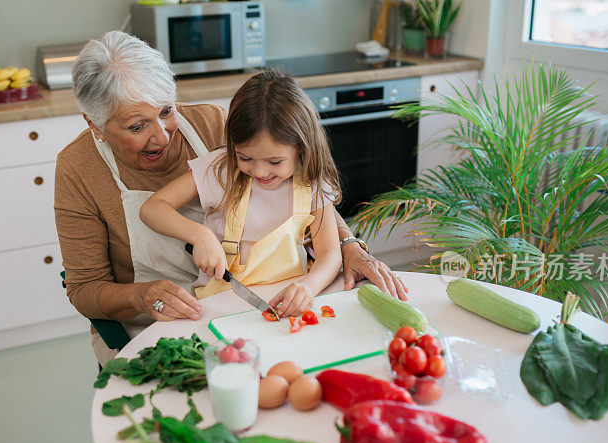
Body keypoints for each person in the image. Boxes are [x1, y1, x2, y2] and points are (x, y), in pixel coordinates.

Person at [54, 31, 409, 365]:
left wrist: (348, 245)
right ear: (95, 125)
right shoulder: (77, 169)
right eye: (137, 126)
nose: (161, 136)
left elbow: (301, 194)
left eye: (166, 111)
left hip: (244, 307)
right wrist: (140, 296)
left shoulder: (213, 124)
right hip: (147, 326)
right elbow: (85, 289)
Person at [141, 70, 342, 317]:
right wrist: (200, 236)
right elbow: (152, 208)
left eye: (275, 161)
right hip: (222, 306)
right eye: (245, 157)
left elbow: (330, 253)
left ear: (302, 148)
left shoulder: (311, 180)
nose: (259, 171)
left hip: (289, 301)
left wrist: (308, 288)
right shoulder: (220, 172)